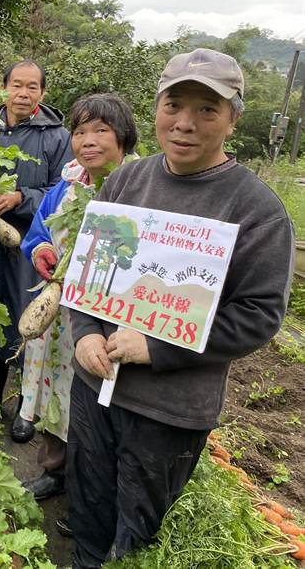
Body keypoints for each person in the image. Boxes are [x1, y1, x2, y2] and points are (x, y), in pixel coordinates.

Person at [67, 49, 294, 568]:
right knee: (87, 508)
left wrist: (157, 345)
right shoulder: (128, 179)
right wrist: (83, 333)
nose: (185, 123)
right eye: (174, 105)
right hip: (95, 383)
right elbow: (86, 271)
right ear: (156, 108)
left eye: (207, 110)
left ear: (233, 120)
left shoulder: (255, 209)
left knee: (137, 531)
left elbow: (259, 315)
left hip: (169, 408)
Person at [18, 94, 138, 512]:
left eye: (101, 131)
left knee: (97, 410)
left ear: (122, 138)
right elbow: (37, 235)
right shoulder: (64, 190)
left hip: (108, 325)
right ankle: (54, 471)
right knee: (56, 392)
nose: (88, 140)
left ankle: (89, 499)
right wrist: (40, 253)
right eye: (81, 131)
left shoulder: (139, 192)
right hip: (57, 318)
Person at [0, 59, 72, 444]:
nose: (23, 93)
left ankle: (27, 409)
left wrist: (20, 198)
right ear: (4, 88)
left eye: (32, 87)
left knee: (29, 323)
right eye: (17, 85)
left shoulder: (57, 136)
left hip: (32, 244)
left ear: (42, 94)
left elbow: (61, 192)